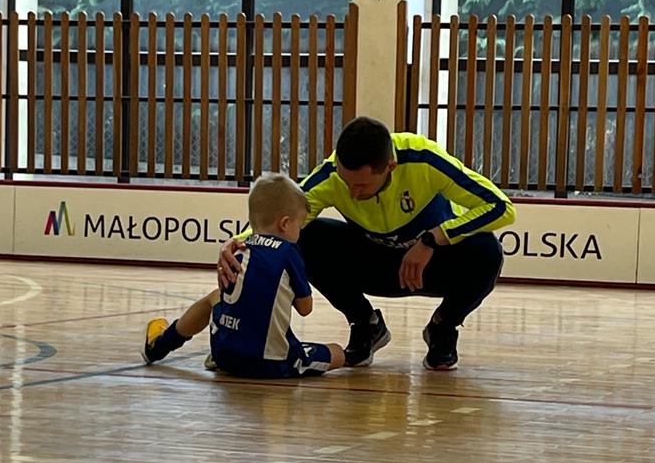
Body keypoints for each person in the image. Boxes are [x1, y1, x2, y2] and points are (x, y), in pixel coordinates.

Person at [219, 116, 516, 371]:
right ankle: (366, 323)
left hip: (433, 265)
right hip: (377, 265)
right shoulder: (331, 175)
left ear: (390, 166)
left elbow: (501, 207)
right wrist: (239, 242)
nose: (352, 192)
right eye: (346, 182)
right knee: (306, 236)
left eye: (361, 185)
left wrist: (432, 239)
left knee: (488, 251)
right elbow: (279, 220)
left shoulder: (425, 160)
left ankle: (443, 326)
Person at [142, 172, 345, 379]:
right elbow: (305, 309)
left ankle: (159, 345)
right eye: (299, 226)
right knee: (337, 352)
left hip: (224, 354)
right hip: (274, 362)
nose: (300, 233)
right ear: (284, 224)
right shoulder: (289, 252)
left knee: (214, 297)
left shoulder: (239, 249)